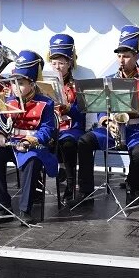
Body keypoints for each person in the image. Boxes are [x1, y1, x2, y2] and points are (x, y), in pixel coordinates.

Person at [72, 26, 139, 207]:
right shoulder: (109, 79)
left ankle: (132, 187)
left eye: (126, 56)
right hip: (113, 128)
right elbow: (101, 107)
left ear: (136, 57)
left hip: (137, 129)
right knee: (84, 141)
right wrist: (106, 120)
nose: (122, 60)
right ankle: (86, 190)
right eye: (119, 55)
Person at [0, 50, 58, 225]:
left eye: (20, 83)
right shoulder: (9, 101)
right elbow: (1, 123)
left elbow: (47, 129)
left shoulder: (46, 103)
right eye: (13, 83)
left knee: (33, 161)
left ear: (32, 83)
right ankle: (2, 208)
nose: (15, 87)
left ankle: (25, 210)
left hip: (33, 147)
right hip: (12, 145)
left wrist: (29, 141)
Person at [46, 34, 85, 206]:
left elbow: (82, 115)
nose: (57, 67)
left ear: (70, 63)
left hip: (71, 128)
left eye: (61, 63)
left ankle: (70, 186)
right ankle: (37, 187)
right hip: (51, 126)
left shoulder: (77, 86)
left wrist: (69, 108)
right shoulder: (44, 84)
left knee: (68, 143)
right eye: (54, 63)